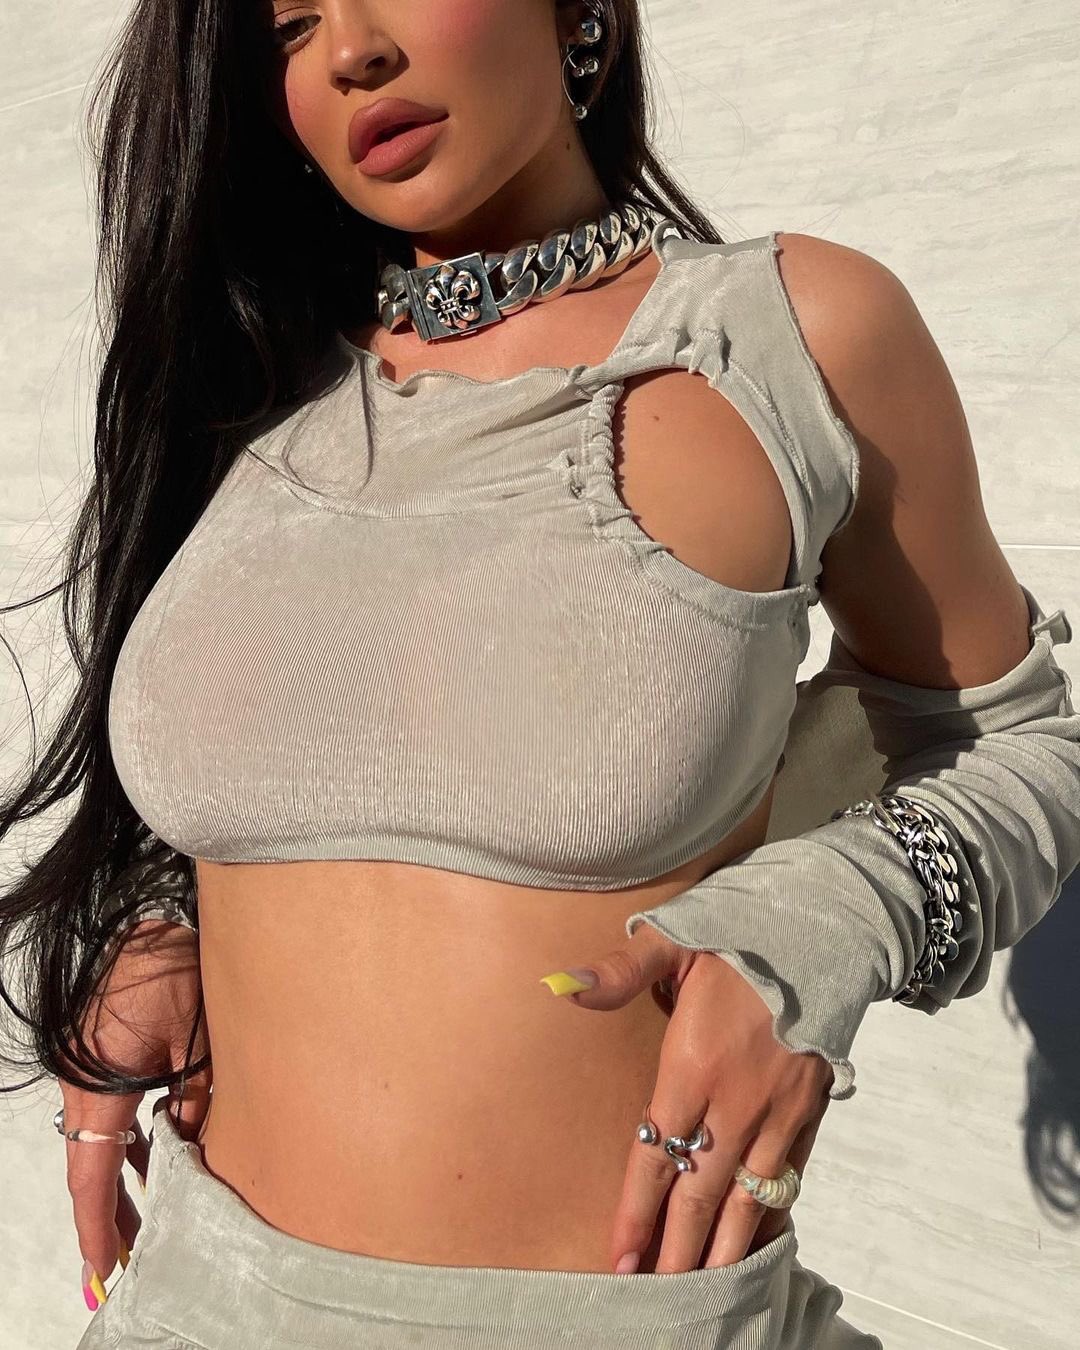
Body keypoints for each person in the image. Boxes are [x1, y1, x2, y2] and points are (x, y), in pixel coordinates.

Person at [1, 1, 1077, 1347]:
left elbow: (1014, 740)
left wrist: (834, 915)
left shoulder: (791, 335)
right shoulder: (255, 379)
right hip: (190, 1304)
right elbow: (336, 769)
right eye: (287, 27)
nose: (349, 51)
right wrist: (174, 925)